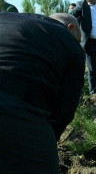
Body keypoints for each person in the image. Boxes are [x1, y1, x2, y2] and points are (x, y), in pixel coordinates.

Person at [0, 12, 85, 173]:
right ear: (70, 27)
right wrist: (49, 139)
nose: (78, 44)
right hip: (16, 109)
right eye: (78, 40)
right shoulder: (70, 44)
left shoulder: (6, 17)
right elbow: (66, 106)